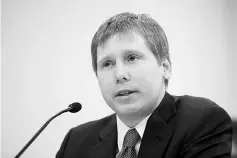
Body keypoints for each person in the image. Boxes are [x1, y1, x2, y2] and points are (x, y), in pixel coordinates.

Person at [56, 12, 233, 158]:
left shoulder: (202, 121)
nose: (120, 75)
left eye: (132, 58)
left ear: (165, 67)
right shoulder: (76, 141)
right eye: (107, 64)